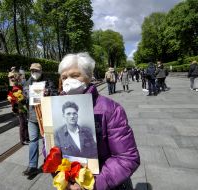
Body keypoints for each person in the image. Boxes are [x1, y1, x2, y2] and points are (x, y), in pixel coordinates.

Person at [57, 52, 140, 190]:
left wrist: (91, 184)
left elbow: (127, 158)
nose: (68, 81)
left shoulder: (111, 110)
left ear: (89, 77)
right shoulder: (57, 107)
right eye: (64, 77)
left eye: (75, 75)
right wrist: (61, 176)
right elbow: (49, 149)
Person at [22, 63, 56, 177]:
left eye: (36, 71)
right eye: (32, 71)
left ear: (41, 71)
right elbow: (24, 97)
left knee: (47, 140)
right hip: (32, 116)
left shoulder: (48, 81)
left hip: (46, 116)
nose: (34, 73)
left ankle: (49, 162)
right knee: (33, 140)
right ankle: (32, 166)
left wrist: (48, 93)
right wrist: (20, 99)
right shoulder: (27, 83)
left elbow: (55, 94)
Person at [7, 71, 29, 145]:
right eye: (20, 78)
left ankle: (26, 138)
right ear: (17, 79)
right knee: (23, 123)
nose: (21, 79)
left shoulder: (19, 86)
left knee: (25, 122)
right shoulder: (15, 88)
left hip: (22, 107)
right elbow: (17, 99)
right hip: (20, 108)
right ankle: (23, 139)